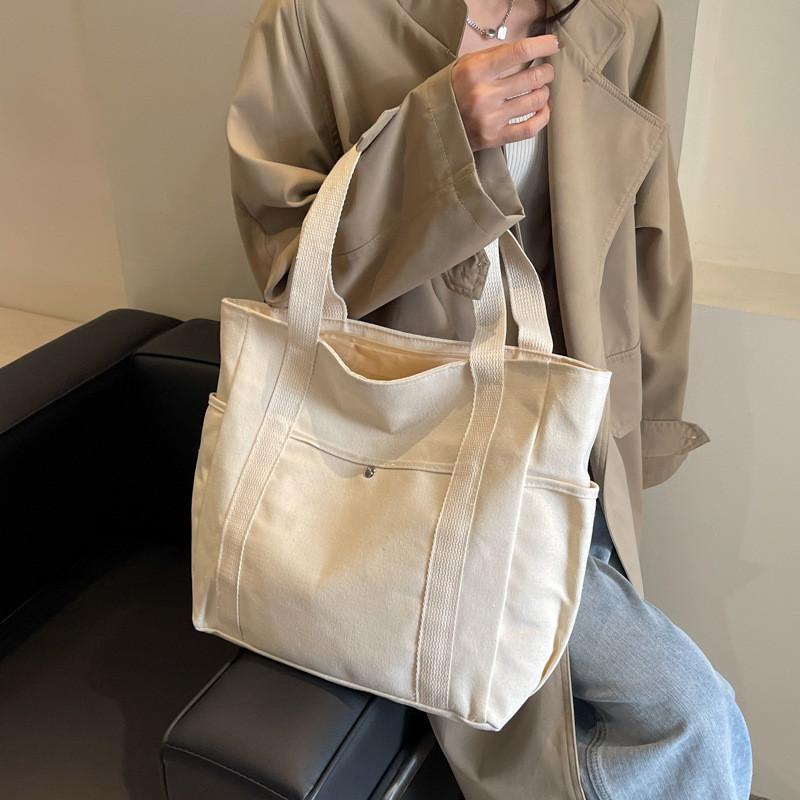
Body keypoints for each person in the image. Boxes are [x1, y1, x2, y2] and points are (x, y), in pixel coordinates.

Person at [224, 0, 753, 797]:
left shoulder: (619, 18)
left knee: (676, 725)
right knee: (695, 720)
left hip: (569, 447)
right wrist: (439, 140)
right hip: (401, 460)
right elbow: (291, 268)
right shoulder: (317, 16)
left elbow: (650, 240)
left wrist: (642, 427)